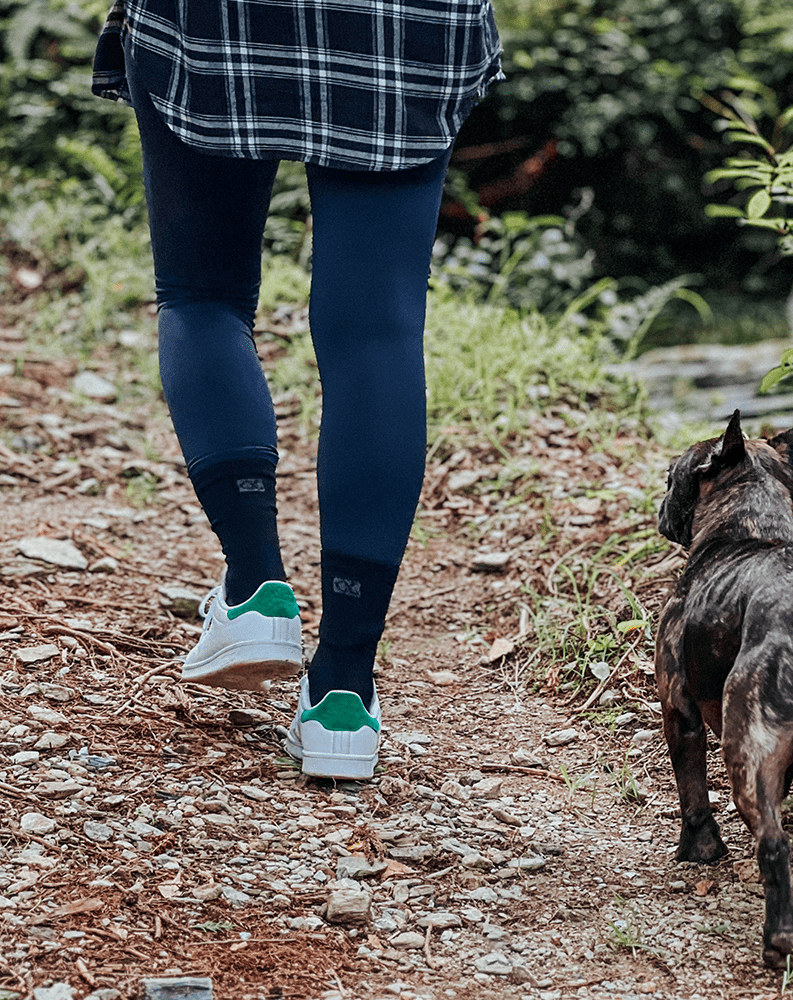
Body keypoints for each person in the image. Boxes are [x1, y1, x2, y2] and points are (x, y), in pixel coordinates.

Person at [92, 0, 502, 780]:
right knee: (376, 336)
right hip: (403, 24)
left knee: (202, 294)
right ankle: (342, 690)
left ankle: (256, 591)